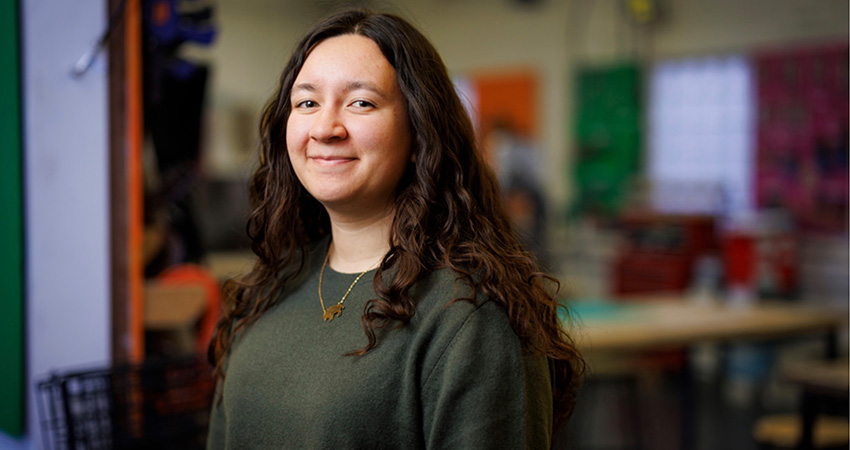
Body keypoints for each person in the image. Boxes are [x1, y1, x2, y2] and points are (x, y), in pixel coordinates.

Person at [207, 9, 584, 449]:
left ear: (419, 132)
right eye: (307, 102)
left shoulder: (469, 319)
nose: (326, 127)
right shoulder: (268, 288)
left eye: (361, 102)